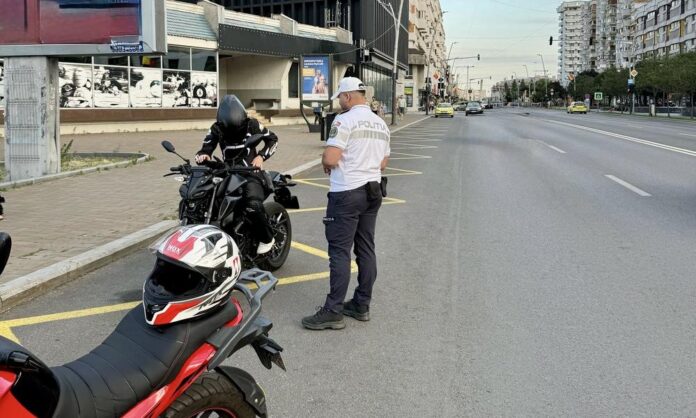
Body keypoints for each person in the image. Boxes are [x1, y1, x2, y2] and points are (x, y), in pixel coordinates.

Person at [302, 77, 390, 330]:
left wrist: (326, 161)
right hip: (373, 191)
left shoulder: (344, 120)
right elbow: (383, 163)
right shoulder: (380, 123)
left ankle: (333, 310)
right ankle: (361, 304)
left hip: (347, 192)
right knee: (366, 248)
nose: (340, 102)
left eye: (340, 97)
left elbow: (331, 158)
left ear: (348, 96)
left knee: (339, 252)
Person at [194, 95, 279, 255]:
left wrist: (261, 156)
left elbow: (273, 140)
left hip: (250, 173)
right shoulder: (216, 128)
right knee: (204, 201)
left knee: (252, 205)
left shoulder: (252, 124)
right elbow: (206, 148)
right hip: (227, 172)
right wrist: (203, 155)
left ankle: (267, 238)